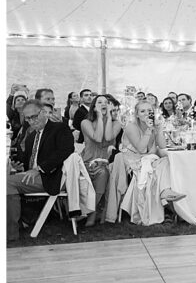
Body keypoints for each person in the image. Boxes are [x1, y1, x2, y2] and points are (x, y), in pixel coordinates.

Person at [7, 100, 74, 243]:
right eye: (28, 118)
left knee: (6, 183)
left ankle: (10, 233)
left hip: (53, 177)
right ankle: (14, 227)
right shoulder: (32, 136)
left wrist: (39, 169)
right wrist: (19, 167)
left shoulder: (59, 128)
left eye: (34, 116)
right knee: (7, 180)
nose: (31, 121)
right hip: (36, 176)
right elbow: (28, 163)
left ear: (43, 113)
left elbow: (66, 151)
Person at [121, 99, 184, 225]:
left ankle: (167, 198)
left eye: (149, 111)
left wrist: (159, 130)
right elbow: (141, 149)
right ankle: (166, 202)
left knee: (167, 161)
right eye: (142, 111)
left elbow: (161, 145)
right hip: (135, 160)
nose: (146, 113)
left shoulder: (154, 125)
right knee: (161, 165)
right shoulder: (131, 127)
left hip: (151, 159)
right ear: (137, 114)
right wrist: (149, 130)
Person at [80, 94, 122, 226]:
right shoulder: (85, 122)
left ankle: (89, 213)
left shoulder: (116, 124)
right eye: (99, 102)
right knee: (98, 172)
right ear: (94, 106)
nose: (103, 104)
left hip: (105, 163)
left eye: (106, 102)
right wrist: (99, 117)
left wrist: (108, 117)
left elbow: (108, 136)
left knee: (103, 172)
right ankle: (91, 212)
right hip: (87, 161)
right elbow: (98, 138)